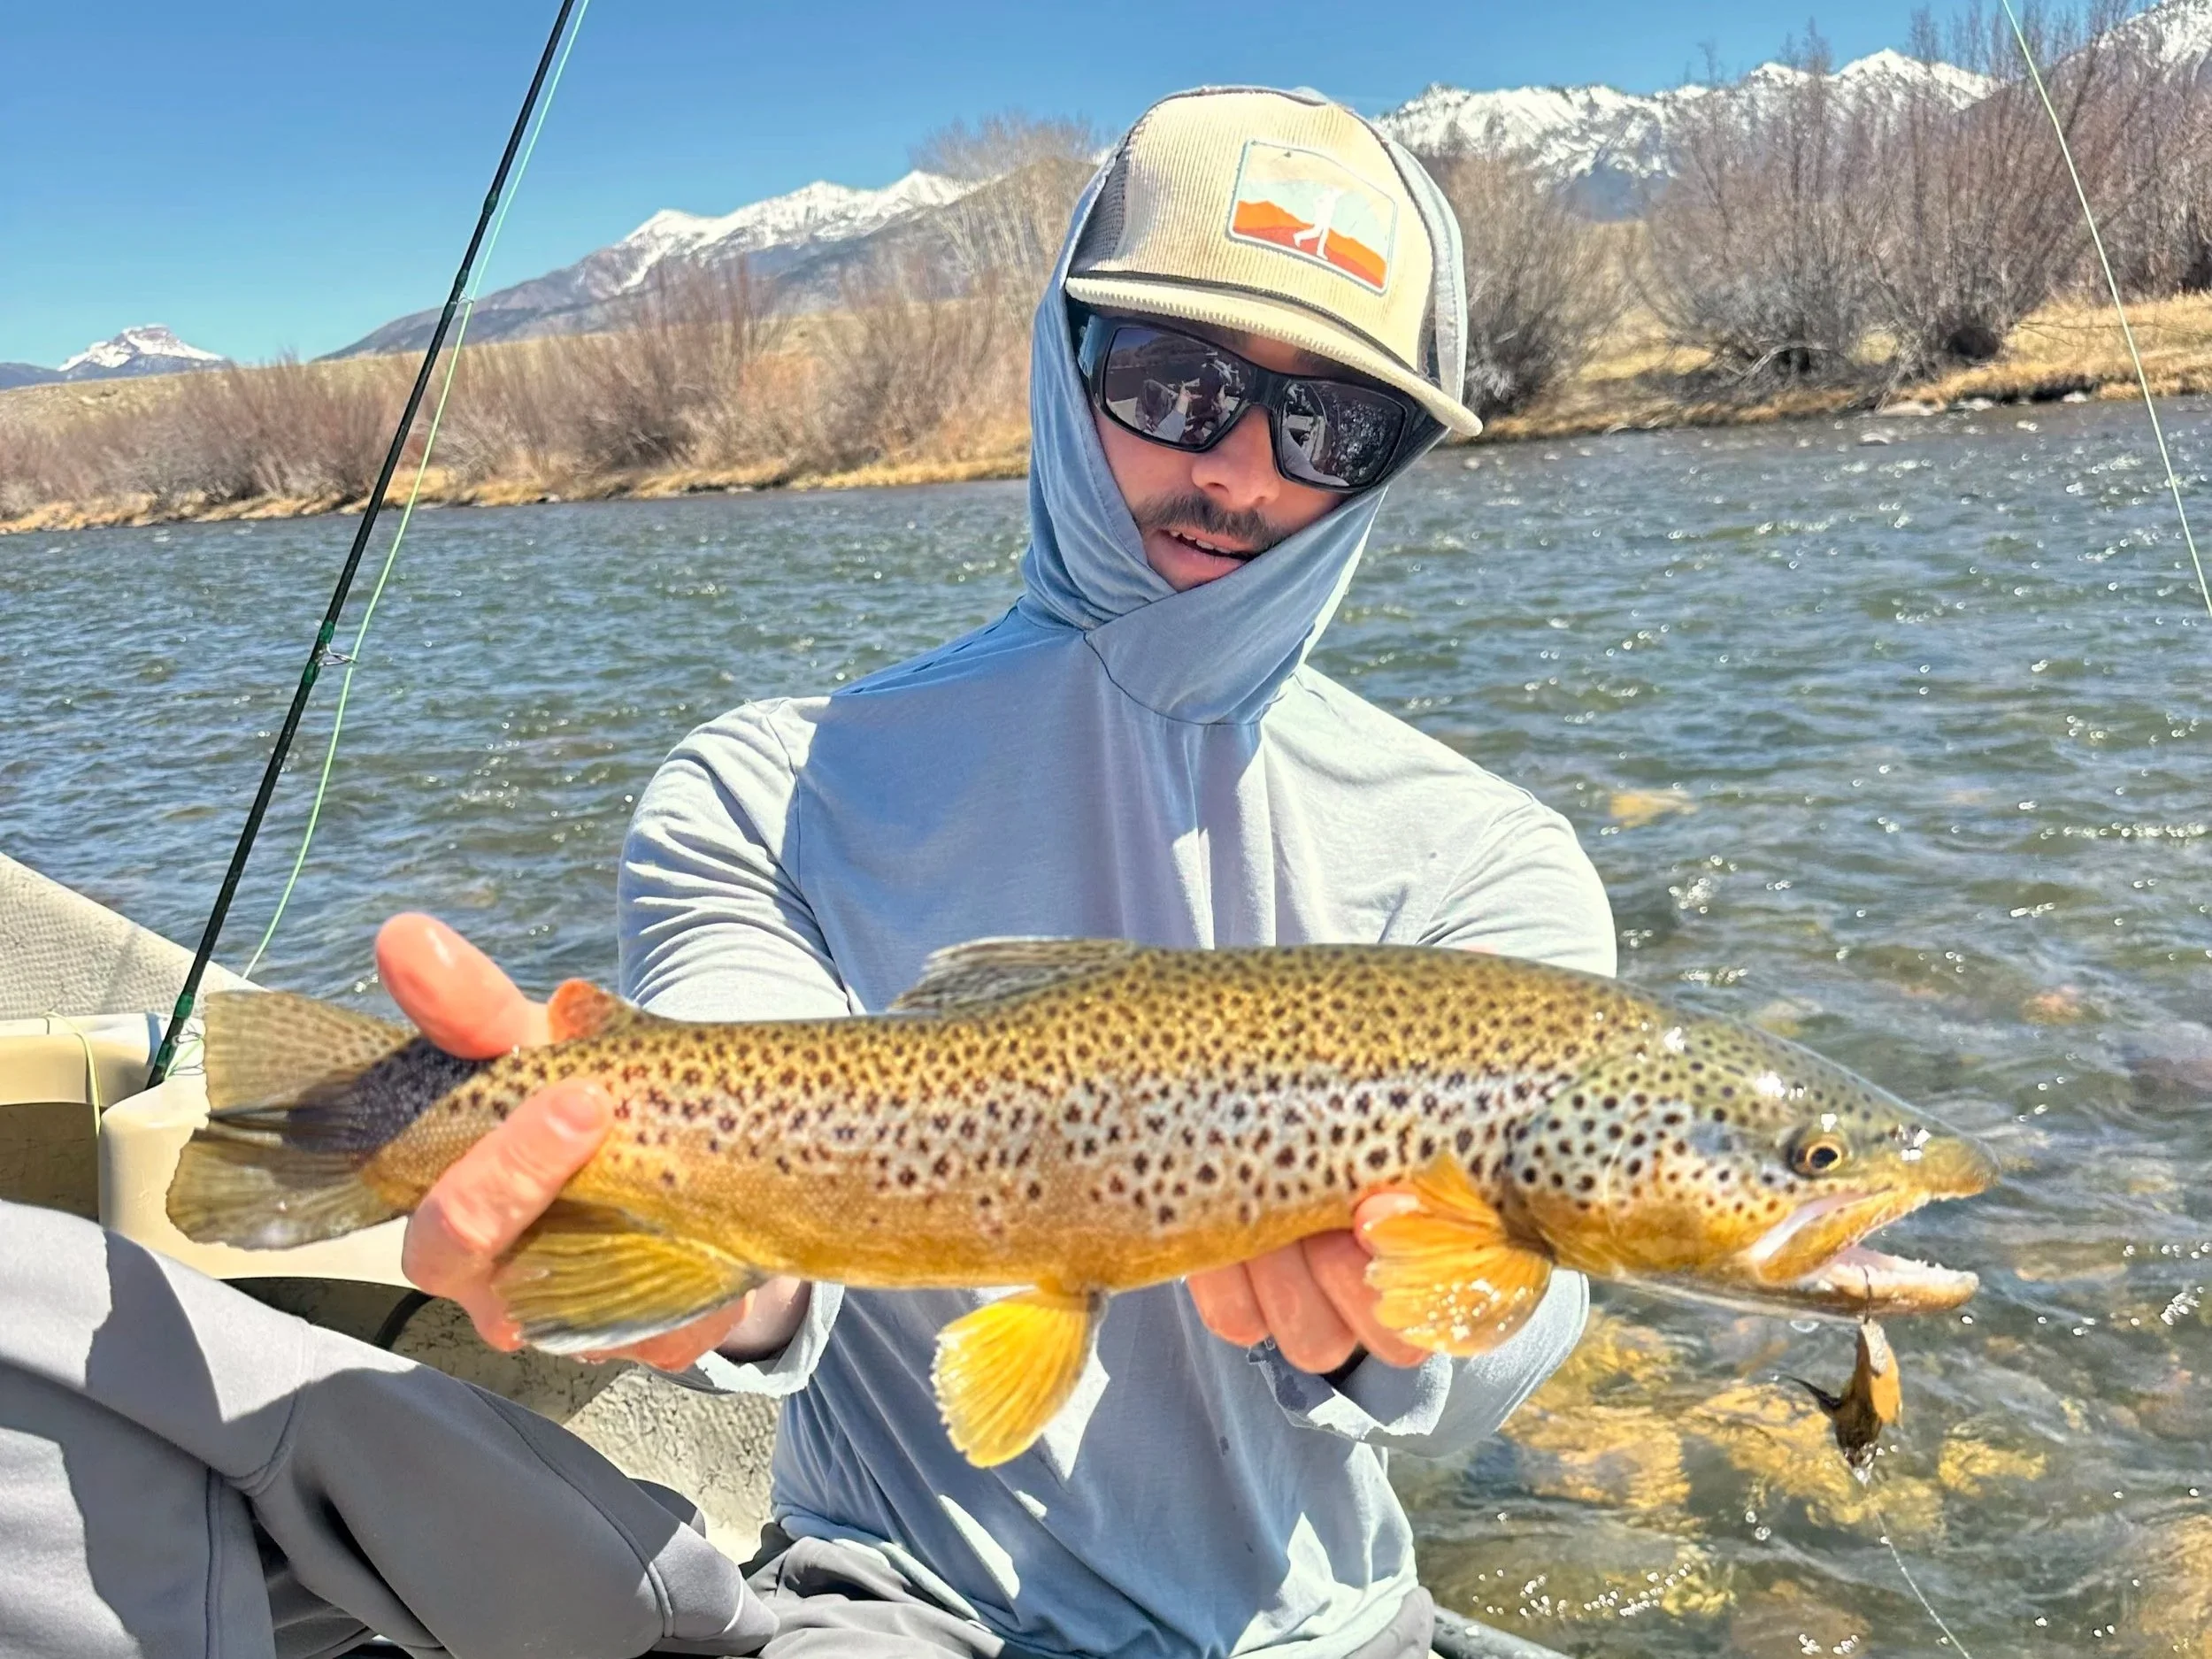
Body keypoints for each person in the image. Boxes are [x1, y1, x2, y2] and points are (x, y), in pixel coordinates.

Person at [388, 87, 1614, 1659]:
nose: (1237, 470)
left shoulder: (1489, 863)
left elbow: (1544, 1302)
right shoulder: (763, 789)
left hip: (1327, 1627)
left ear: (1385, 465)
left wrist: (1413, 1329)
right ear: (1065, 355)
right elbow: (754, 1157)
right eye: (1179, 382)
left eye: (1328, 424)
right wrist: (696, 1283)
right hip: (890, 1603)